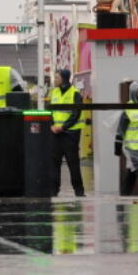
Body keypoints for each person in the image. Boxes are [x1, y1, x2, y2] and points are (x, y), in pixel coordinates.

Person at [49, 69, 85, 197]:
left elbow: (76, 114)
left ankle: (79, 191)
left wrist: (62, 127)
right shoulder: (54, 92)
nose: (55, 79)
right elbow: (51, 111)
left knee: (73, 162)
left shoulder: (75, 94)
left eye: (57, 77)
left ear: (64, 78)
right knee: (54, 162)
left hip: (70, 133)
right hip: (56, 133)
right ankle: (53, 190)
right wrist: (52, 125)